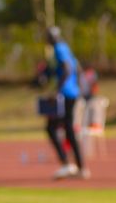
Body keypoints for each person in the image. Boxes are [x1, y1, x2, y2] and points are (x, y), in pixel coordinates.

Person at [44, 27, 89, 179]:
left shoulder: (59, 48)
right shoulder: (66, 47)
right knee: (67, 129)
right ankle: (79, 168)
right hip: (72, 93)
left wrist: (58, 90)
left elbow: (68, 68)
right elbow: (77, 68)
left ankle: (68, 165)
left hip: (66, 95)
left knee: (52, 128)